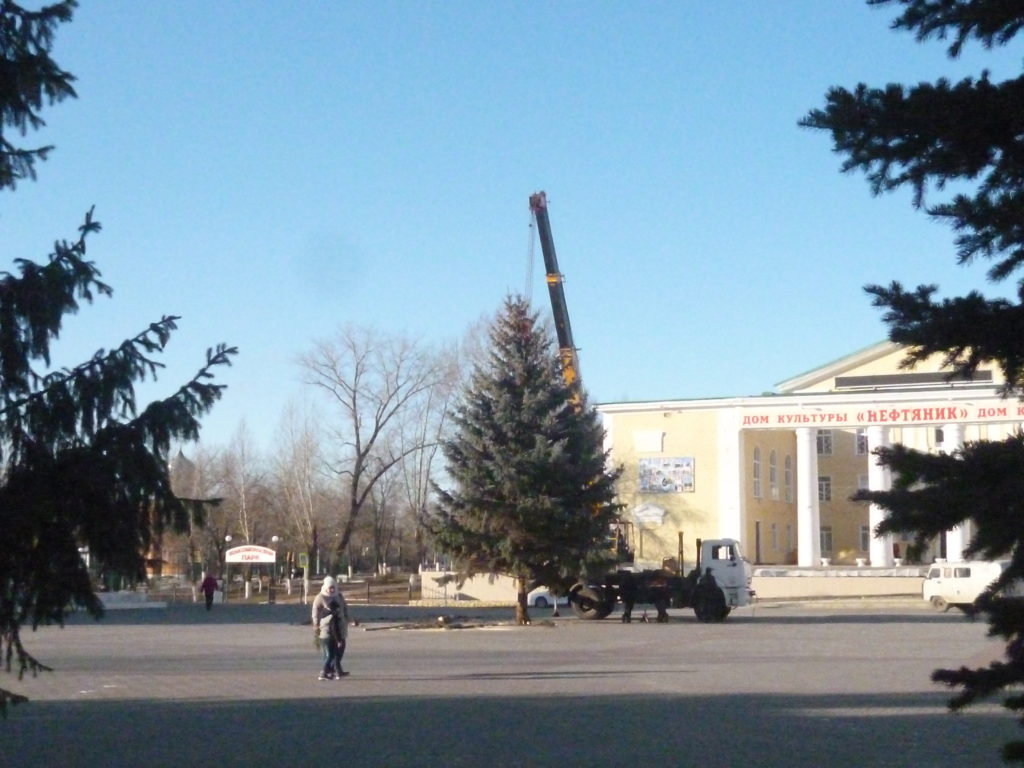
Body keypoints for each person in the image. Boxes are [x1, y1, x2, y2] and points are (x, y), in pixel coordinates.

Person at [311, 576, 350, 680]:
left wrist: (347, 618)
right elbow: (315, 611)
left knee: (340, 650)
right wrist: (316, 624)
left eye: (333, 587)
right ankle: (328, 671)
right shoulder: (320, 597)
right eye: (330, 588)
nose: (332, 590)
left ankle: (335, 670)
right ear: (325, 587)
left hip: (340, 626)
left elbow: (345, 607)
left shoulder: (339, 595)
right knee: (330, 653)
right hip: (327, 628)